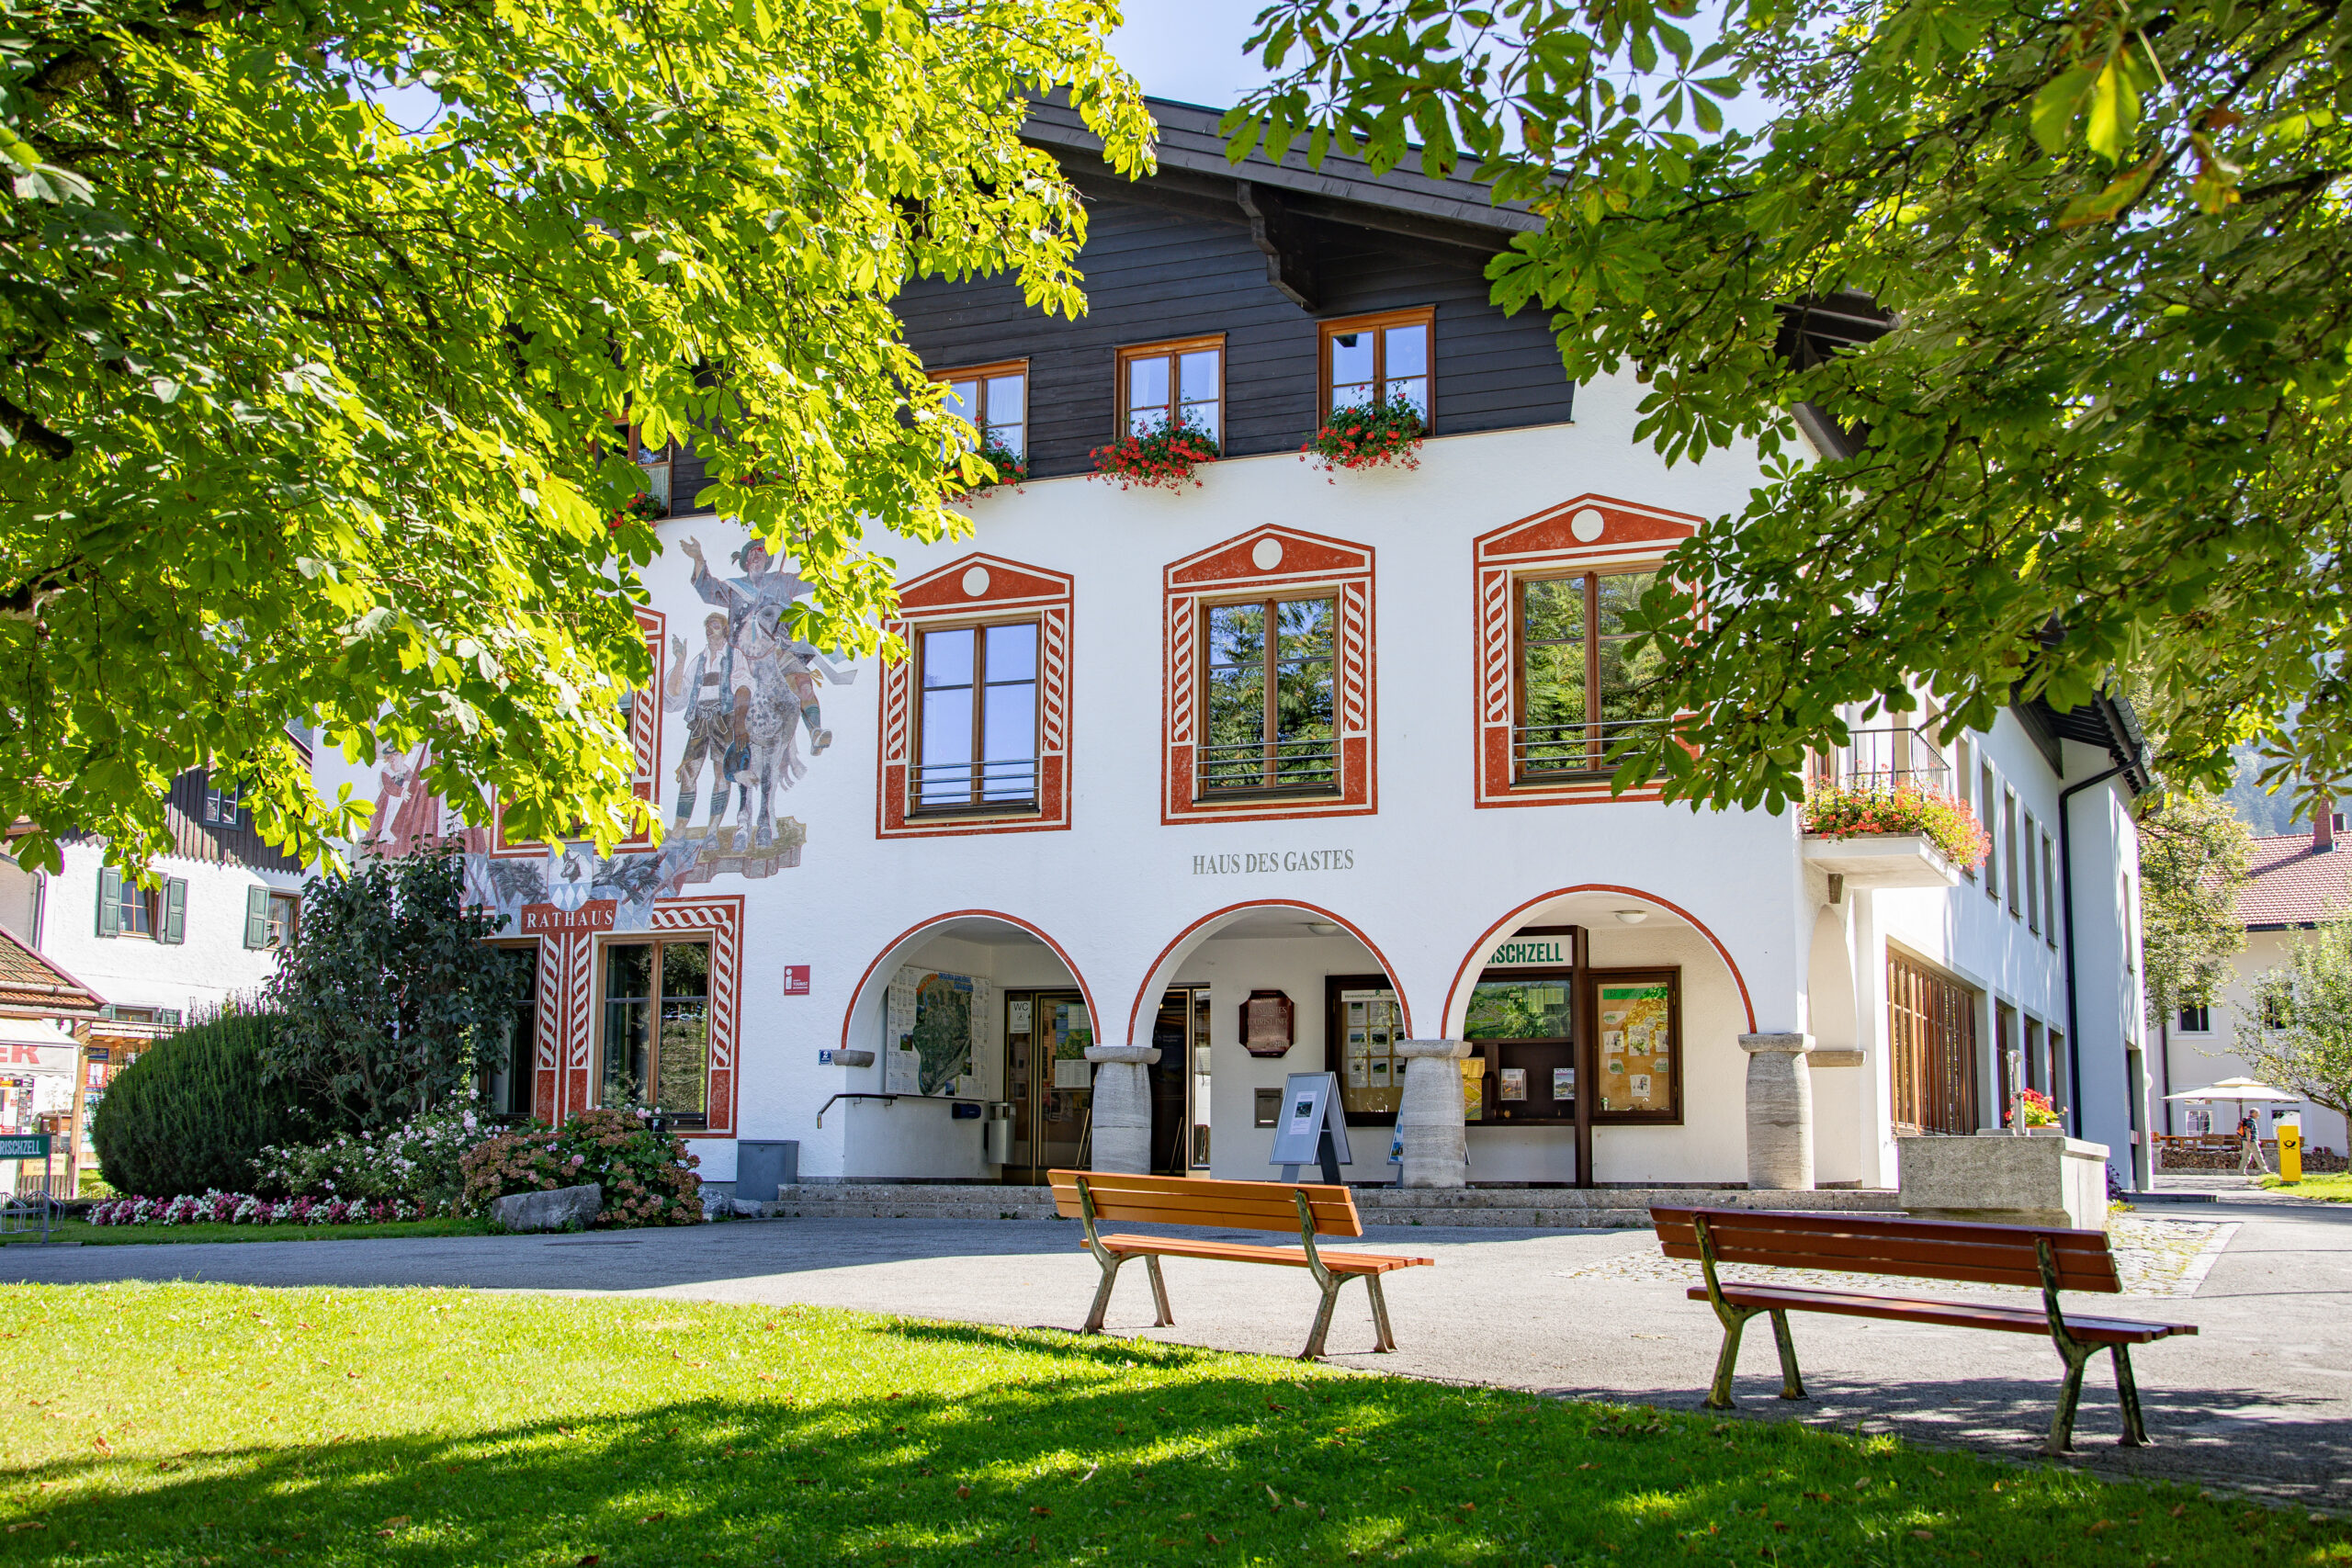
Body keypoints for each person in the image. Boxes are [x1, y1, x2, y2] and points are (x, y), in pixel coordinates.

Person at [2238, 1111, 2270, 1176]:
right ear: (2254, 1113)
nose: (2258, 1115)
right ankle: (2265, 1171)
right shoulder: (2251, 1121)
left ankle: (2241, 1172)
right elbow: (2248, 1131)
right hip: (2251, 1141)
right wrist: (2249, 1141)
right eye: (2258, 1113)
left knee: (2245, 1157)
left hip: (2245, 1141)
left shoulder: (2247, 1120)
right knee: (2258, 1156)